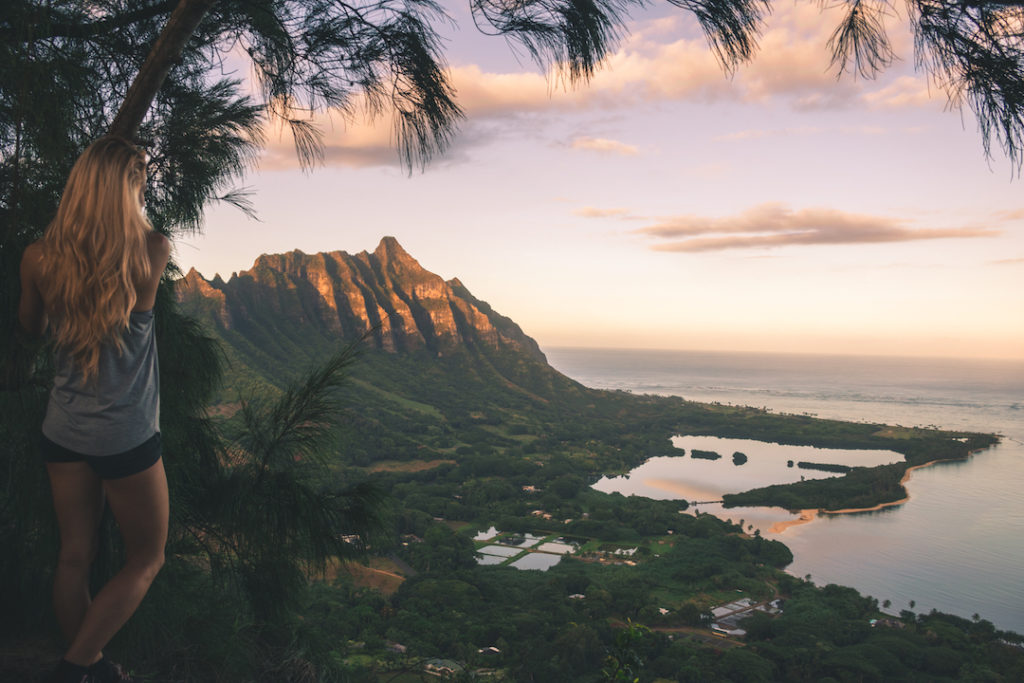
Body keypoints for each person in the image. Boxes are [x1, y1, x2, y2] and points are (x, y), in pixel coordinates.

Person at [18, 135, 171, 683]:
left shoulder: (38, 258)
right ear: (128, 187)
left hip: (63, 429)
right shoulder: (151, 249)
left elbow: (31, 328)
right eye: (142, 176)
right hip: (126, 436)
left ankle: (90, 667)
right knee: (146, 558)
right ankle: (76, 666)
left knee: (73, 556)